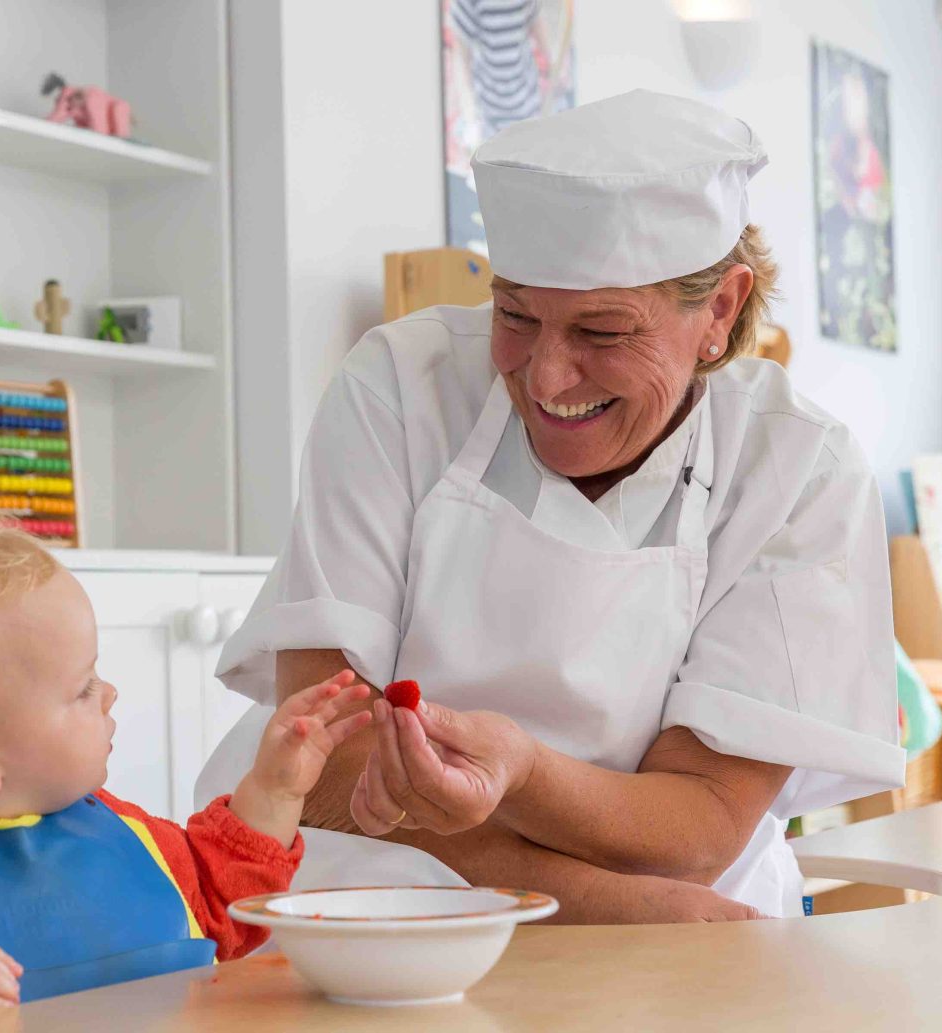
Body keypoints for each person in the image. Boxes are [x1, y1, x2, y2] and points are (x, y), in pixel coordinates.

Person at [198, 89, 905, 921]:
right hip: (383, 893)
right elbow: (320, 759)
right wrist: (583, 896)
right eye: (515, 315)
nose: (545, 377)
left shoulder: (796, 468)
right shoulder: (399, 384)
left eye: (603, 333)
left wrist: (522, 773)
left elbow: (703, 818)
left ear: (719, 309)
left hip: (686, 919)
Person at [0, 507, 372, 1032]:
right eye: (81, 689)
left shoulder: (129, 836)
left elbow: (227, 904)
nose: (109, 694)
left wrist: (273, 787)